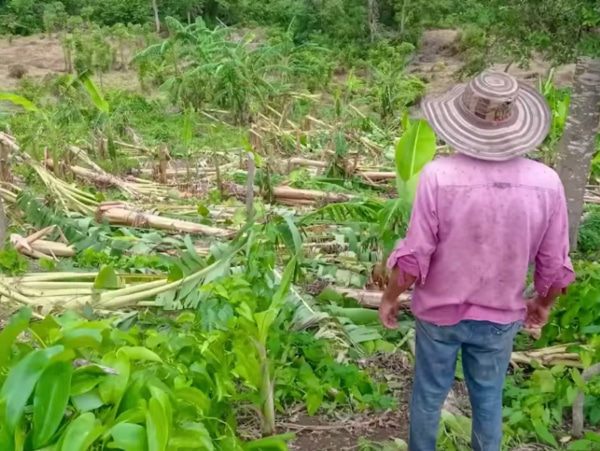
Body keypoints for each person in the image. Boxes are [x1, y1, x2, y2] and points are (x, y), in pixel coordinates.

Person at [378, 70, 575, 451]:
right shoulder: (546, 182)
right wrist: (542, 305)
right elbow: (555, 265)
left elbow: (414, 255)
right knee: (488, 400)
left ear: (463, 121)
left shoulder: (438, 176)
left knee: (429, 397)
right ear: (516, 123)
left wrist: (390, 297)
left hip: (438, 315)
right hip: (499, 317)